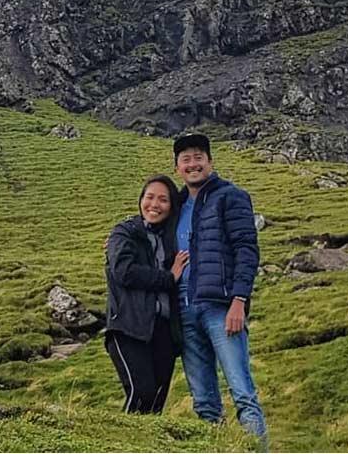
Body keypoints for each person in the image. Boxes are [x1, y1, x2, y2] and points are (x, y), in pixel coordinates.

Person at [173, 133, 268, 445]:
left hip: (221, 308)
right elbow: (146, 223)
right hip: (185, 310)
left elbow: (246, 248)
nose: (193, 164)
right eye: (186, 159)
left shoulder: (231, 196)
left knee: (243, 394)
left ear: (210, 162)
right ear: (177, 167)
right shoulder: (175, 205)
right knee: (203, 403)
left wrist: (239, 300)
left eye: (198, 157)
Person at [104, 175, 190, 414]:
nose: (155, 204)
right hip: (128, 327)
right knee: (141, 393)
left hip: (163, 331)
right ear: (140, 200)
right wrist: (169, 277)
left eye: (163, 199)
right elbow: (125, 272)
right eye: (149, 197)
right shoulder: (124, 232)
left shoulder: (171, 239)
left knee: (156, 403)